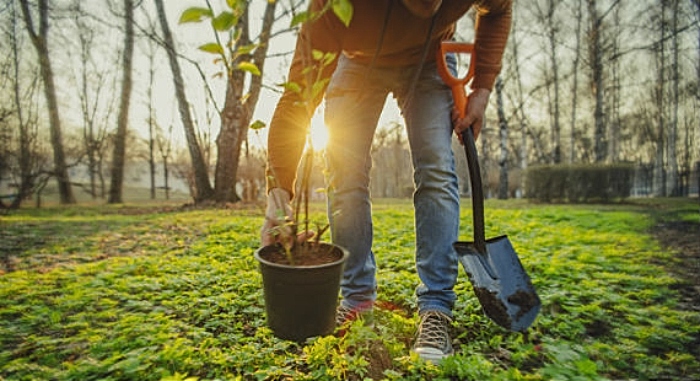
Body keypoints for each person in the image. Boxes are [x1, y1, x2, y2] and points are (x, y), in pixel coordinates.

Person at [261, 0, 512, 363]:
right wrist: (278, 195)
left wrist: (483, 89)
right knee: (344, 174)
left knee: (437, 169)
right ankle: (358, 301)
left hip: (431, 59)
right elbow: (298, 96)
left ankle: (436, 307)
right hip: (356, 60)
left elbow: (498, 10)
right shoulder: (333, 6)